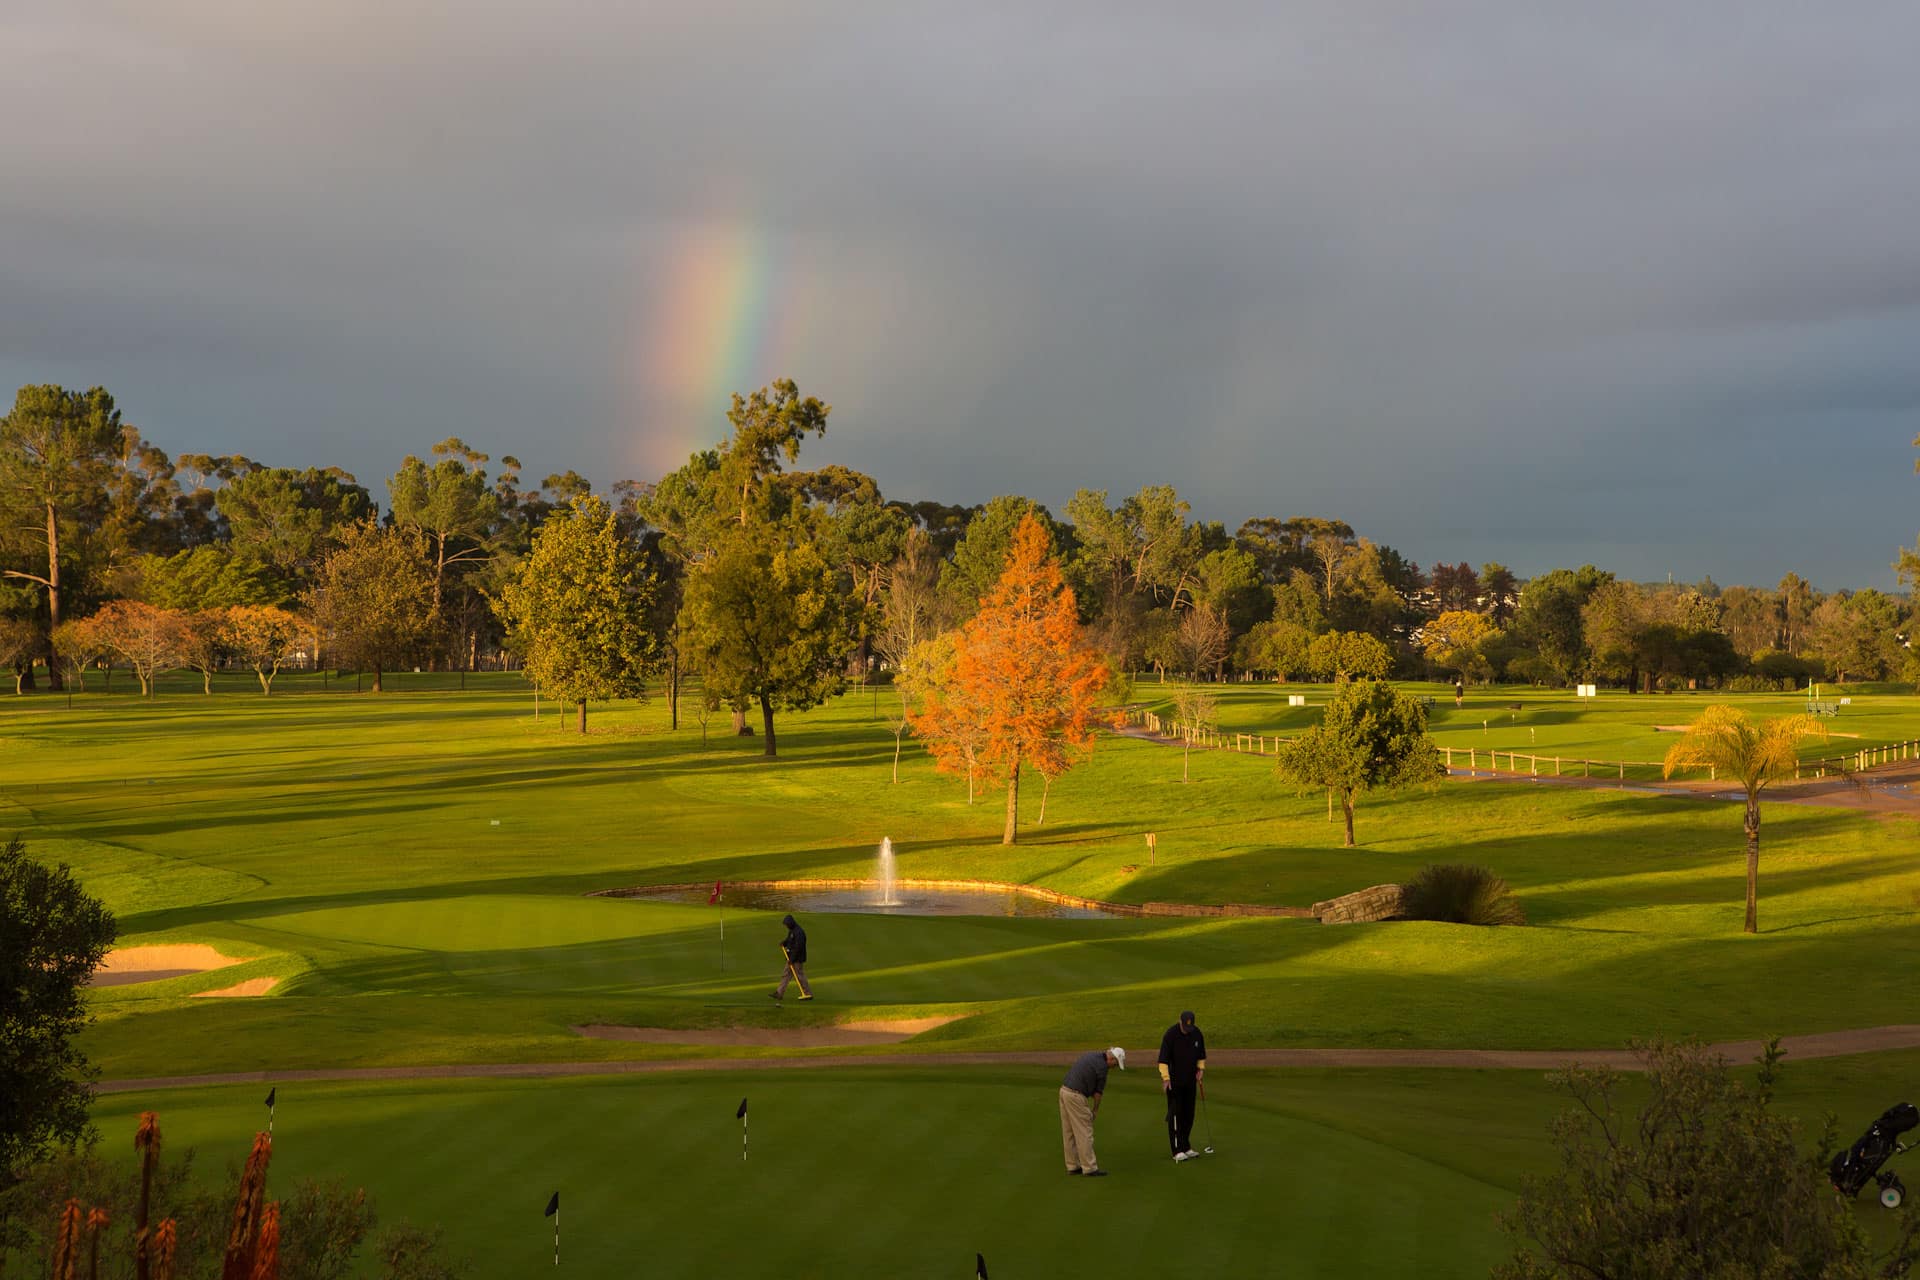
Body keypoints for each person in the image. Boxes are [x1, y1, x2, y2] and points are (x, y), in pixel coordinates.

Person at [1059, 1047, 1125, 1176]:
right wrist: (1094, 1110)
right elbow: (1097, 1094)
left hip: (1064, 1091)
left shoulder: (1092, 1055)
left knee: (1069, 1131)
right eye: (1116, 1064)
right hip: (1075, 1096)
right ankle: (1089, 1168)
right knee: (1084, 1131)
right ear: (1112, 1059)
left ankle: (1073, 1165)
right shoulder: (1102, 1068)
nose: (1115, 1067)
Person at [1158, 1010, 1207, 1162]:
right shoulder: (1170, 1035)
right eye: (1185, 1027)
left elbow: (1201, 1055)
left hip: (1190, 1081)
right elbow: (1163, 1060)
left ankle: (1186, 1146)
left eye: (1189, 1028)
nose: (1187, 1030)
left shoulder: (1196, 1033)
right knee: (1176, 1116)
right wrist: (1166, 1079)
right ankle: (1177, 1150)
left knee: (1189, 1114)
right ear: (1180, 1021)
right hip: (1174, 1083)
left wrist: (1200, 1069)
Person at [769, 913, 812, 1000]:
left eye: (787, 925)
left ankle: (807, 993)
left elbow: (798, 947)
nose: (786, 926)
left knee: (799, 976)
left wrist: (792, 959)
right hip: (791, 958)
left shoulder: (799, 932)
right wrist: (784, 943)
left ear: (791, 923)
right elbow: (789, 940)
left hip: (797, 958)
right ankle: (779, 993)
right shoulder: (792, 930)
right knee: (786, 974)